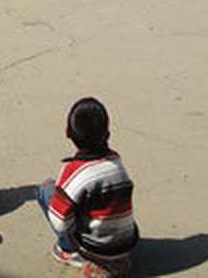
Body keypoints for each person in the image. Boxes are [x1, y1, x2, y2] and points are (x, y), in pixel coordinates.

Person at [38, 97, 137, 276]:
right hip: (125, 242)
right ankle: (115, 258)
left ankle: (69, 250)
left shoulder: (73, 170)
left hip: (95, 246)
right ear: (107, 134)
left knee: (45, 189)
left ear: (67, 132)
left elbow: (59, 222)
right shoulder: (116, 160)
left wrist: (71, 234)